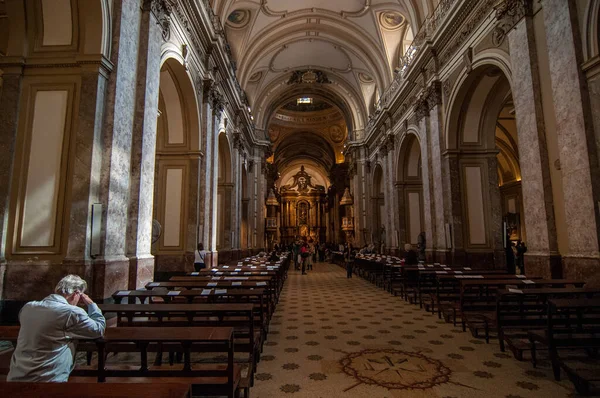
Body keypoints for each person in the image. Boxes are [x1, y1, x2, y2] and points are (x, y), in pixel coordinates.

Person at [8, 275, 106, 382]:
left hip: (18, 375)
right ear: (76, 293)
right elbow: (98, 329)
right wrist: (91, 304)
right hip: (48, 378)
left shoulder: (28, 307)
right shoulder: (71, 312)